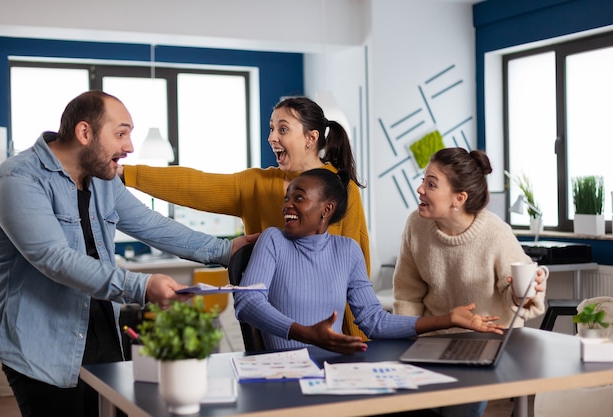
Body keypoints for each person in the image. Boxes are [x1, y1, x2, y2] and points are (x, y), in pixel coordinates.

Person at [0, 90, 257, 417]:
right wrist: (141, 287)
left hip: (106, 339)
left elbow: (150, 224)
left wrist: (226, 250)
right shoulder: (18, 178)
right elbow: (53, 259)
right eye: (120, 134)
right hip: (44, 350)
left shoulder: (103, 180)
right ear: (84, 132)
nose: (128, 147)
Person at [119, 96, 370, 339]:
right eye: (272, 128)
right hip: (272, 328)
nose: (272, 137)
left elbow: (356, 276)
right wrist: (125, 173)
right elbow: (197, 184)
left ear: (310, 138)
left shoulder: (342, 188)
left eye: (283, 129)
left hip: (330, 332)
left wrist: (362, 342)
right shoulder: (255, 184)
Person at [233, 168, 504, 355]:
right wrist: (305, 333)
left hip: (334, 373)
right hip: (284, 377)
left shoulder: (347, 250)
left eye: (298, 198)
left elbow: (373, 320)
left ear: (326, 209)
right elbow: (248, 302)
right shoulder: (273, 240)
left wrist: (447, 319)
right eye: (287, 198)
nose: (286, 205)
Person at [392, 147, 547, 417]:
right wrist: (407, 345)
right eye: (422, 180)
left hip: (485, 345)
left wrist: (526, 291)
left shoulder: (495, 233)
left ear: (458, 198)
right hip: (432, 342)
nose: (420, 189)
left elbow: (519, 294)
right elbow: (407, 295)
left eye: (431, 184)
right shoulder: (416, 226)